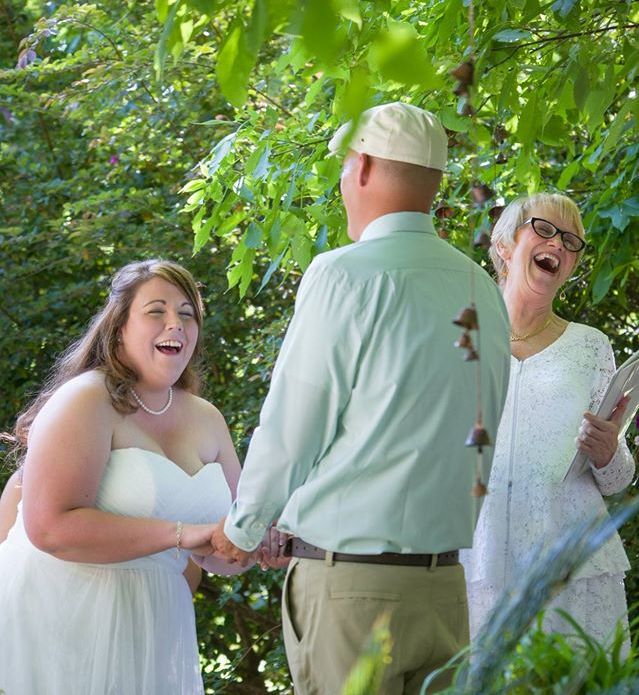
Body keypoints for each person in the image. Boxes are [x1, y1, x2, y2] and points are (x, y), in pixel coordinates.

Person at [208, 102, 512, 694]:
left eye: (345, 166)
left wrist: (242, 529)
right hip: (446, 591)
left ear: (365, 165)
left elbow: (293, 426)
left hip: (352, 593)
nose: (344, 182)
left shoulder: (344, 274)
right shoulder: (483, 289)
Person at [0, 259, 252, 695]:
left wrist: (255, 545)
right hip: (61, 617)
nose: (175, 323)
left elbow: (227, 542)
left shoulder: (207, 419)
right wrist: (181, 534)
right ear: (119, 326)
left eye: (187, 313)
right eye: (157, 310)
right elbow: (49, 526)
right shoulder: (84, 400)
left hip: (152, 627)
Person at [460, 193, 635, 648]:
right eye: (544, 229)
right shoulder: (457, 334)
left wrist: (608, 451)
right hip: (474, 557)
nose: (558, 244)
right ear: (504, 245)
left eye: (571, 240)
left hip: (572, 568)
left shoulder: (591, 347)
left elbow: (617, 478)